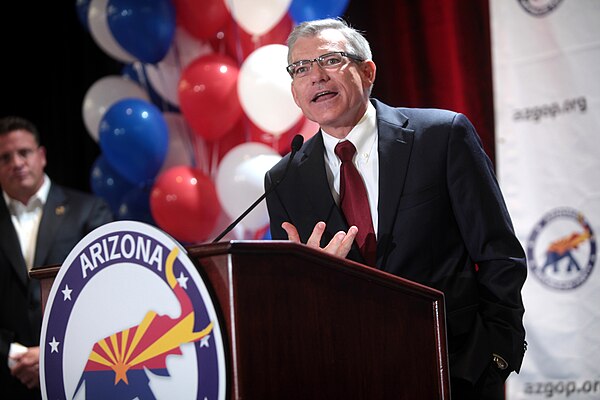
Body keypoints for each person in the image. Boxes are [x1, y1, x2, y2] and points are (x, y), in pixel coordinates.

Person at [265, 18, 527, 399]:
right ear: (293, 90)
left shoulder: (441, 136)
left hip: (454, 373)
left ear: (367, 71)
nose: (315, 77)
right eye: (300, 69)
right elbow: (288, 302)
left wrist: (495, 356)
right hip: (348, 378)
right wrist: (309, 281)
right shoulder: (283, 179)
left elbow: (498, 253)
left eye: (330, 60)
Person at [0, 116, 114, 399]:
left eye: (24, 152)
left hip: (76, 376)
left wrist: (55, 351)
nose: (16, 163)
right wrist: (12, 353)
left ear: (41, 156)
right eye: (5, 157)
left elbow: (106, 292)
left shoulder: (87, 211)